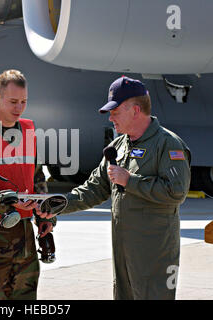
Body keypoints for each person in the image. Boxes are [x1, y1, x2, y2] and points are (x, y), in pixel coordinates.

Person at [38, 76, 191, 300]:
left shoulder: (168, 144)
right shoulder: (117, 147)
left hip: (155, 254)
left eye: (115, 111)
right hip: (123, 252)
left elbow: (176, 192)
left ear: (135, 110)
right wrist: (59, 205)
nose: (110, 118)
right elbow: (95, 189)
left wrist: (131, 181)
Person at [0, 69, 55, 300]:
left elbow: (37, 176)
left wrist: (45, 217)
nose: (19, 108)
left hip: (25, 233)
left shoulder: (28, 130)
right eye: (13, 101)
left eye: (23, 101)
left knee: (26, 295)